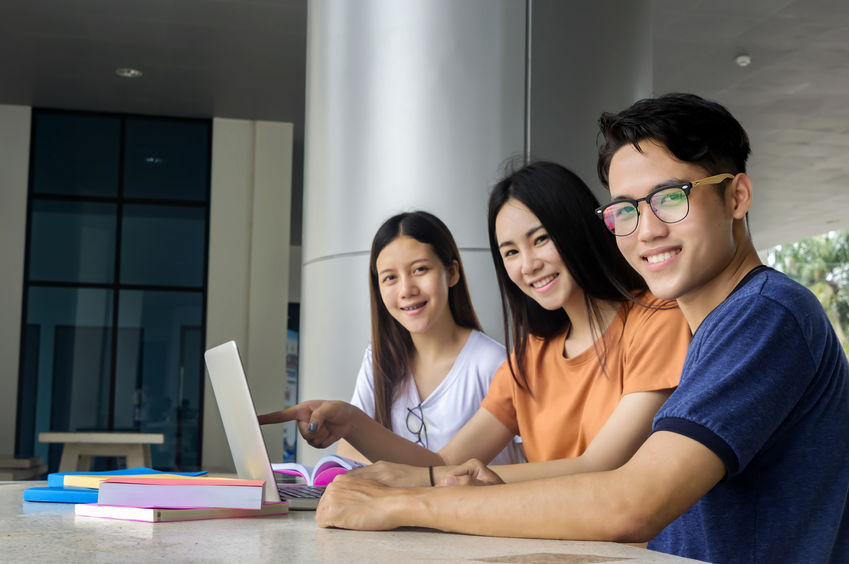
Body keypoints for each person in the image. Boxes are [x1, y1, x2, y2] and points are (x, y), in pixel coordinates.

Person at [316, 95, 849, 564]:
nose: (649, 229)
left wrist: (406, 503)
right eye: (627, 210)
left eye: (671, 197)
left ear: (736, 197)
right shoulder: (718, 324)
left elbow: (631, 501)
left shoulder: (764, 314)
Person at [260, 161, 690, 487]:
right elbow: (446, 463)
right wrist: (354, 422)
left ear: (578, 228)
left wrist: (464, 481)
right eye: (511, 252)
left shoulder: (657, 319)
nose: (529, 265)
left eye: (541, 239)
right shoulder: (530, 356)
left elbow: (601, 467)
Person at [273, 210, 519, 465]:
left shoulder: (494, 364)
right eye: (390, 277)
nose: (406, 290)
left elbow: (445, 469)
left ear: (452, 273)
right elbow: (348, 455)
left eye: (420, 269)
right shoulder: (378, 361)